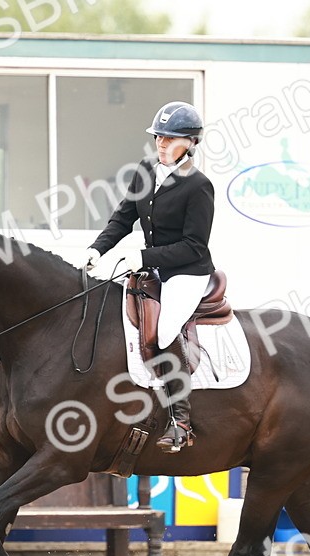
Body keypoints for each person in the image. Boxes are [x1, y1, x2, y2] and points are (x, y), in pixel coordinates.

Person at [75, 100, 216, 453]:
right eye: (158, 138)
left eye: (170, 139)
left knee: (165, 329)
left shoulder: (198, 186)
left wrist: (142, 255)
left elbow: (194, 246)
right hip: (152, 269)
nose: (162, 145)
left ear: (190, 143)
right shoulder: (144, 170)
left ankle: (181, 421)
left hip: (187, 273)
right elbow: (123, 218)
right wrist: (97, 249)